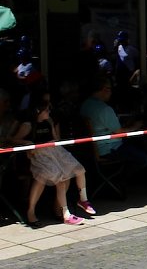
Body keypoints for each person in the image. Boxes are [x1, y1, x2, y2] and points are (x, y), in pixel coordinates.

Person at [15, 97, 93, 227]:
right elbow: (13, 139)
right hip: (39, 155)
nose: (49, 112)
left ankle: (62, 208)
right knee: (56, 178)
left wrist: (53, 141)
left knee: (74, 172)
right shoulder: (28, 125)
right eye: (47, 110)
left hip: (54, 152)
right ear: (38, 111)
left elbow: (56, 138)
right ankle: (59, 212)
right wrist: (27, 143)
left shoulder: (49, 121)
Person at [79, 75, 147, 173]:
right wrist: (135, 126)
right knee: (144, 158)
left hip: (91, 149)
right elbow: (120, 132)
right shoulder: (104, 109)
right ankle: (124, 177)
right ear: (105, 89)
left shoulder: (85, 105)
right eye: (110, 89)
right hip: (108, 149)